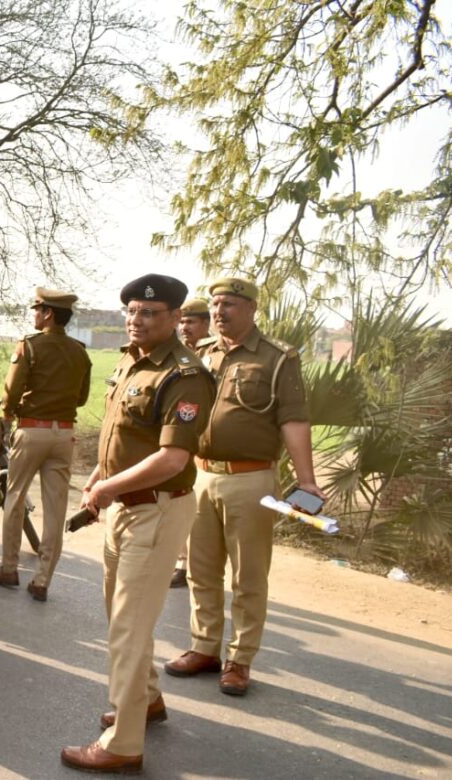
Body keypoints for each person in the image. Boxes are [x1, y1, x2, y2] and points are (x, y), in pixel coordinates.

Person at [60, 274, 214, 775]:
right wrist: (102, 477)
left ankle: (123, 742)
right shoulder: (131, 361)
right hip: (126, 506)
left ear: (174, 318)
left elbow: (171, 458)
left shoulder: (184, 374)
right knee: (122, 615)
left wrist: (107, 487)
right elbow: (124, 436)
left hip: (156, 508)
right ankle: (145, 699)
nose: (136, 319)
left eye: (149, 313)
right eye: (131, 310)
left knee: (128, 626)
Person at [165, 276, 324, 697]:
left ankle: (239, 659)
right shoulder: (200, 354)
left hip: (251, 479)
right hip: (201, 474)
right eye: (215, 304)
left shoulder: (276, 358)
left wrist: (307, 481)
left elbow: (293, 418)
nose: (219, 312)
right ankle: (203, 646)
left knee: (249, 574)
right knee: (201, 569)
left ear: (252, 309)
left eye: (230, 304)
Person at [0, 288, 91, 601]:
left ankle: (9, 568)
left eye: (37, 310)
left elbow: (10, 392)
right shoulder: (80, 351)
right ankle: (43, 579)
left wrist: (7, 417)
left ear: (48, 314)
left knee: (14, 497)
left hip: (32, 430)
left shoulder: (29, 346)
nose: (34, 315)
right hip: (65, 434)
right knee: (56, 507)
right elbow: (83, 398)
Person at [171, 297, 212, 587]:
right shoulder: (178, 353)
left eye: (192, 322)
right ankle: (181, 563)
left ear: (206, 324)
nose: (185, 327)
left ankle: (191, 565)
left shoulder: (212, 354)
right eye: (182, 321)